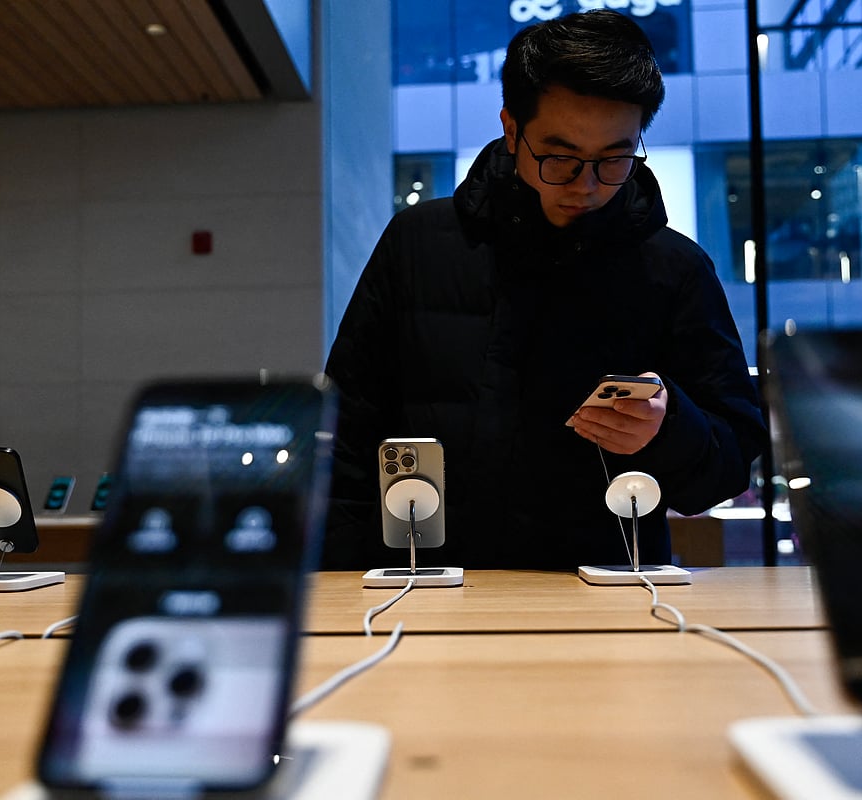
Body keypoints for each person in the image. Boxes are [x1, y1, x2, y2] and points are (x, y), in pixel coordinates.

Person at [321, 9, 765, 571]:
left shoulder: (674, 268)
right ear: (511, 128)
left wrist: (669, 427)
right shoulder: (420, 242)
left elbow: (727, 468)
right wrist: (333, 588)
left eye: (614, 159)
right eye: (559, 157)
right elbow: (345, 434)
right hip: (428, 592)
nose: (586, 185)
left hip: (604, 603)